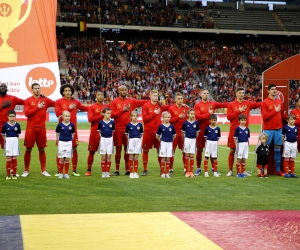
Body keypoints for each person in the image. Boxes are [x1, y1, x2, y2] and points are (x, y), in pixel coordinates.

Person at [110, 85, 148, 176]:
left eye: (125, 90)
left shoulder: (132, 101)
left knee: (128, 150)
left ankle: (128, 169)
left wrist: (156, 101)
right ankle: (117, 170)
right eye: (122, 90)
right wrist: (122, 110)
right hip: (118, 129)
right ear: (118, 91)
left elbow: (144, 102)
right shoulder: (114, 102)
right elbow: (111, 115)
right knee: (118, 150)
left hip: (129, 130)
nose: (124, 91)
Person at [55, 83, 89, 177]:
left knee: (74, 148)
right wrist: (68, 108)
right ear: (62, 92)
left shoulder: (76, 102)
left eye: (69, 90)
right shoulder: (58, 101)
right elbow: (58, 114)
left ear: (72, 92)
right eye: (65, 90)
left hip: (72, 129)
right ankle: (59, 170)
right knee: (60, 151)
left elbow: (85, 108)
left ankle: (74, 169)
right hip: (62, 129)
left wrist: (97, 107)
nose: (67, 92)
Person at [22, 83, 55, 177]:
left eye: (38, 88)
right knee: (28, 149)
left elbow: (56, 103)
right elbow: (27, 113)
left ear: (40, 89)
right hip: (31, 127)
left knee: (42, 149)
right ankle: (26, 170)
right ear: (32, 90)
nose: (37, 90)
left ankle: (43, 170)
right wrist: (38, 107)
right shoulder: (28, 100)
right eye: (35, 88)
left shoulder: (45, 100)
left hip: (41, 127)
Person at [226, 87, 261, 177]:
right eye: (240, 93)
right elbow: (229, 117)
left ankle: (243, 170)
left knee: (244, 151)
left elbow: (258, 104)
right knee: (232, 150)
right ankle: (230, 170)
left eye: (243, 93)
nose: (242, 94)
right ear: (236, 94)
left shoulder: (248, 103)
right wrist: (239, 111)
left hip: (244, 132)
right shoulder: (231, 104)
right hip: (234, 130)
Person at [194, 89, 227, 175]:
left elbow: (224, 104)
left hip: (211, 131)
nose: (206, 95)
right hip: (201, 131)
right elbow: (198, 117)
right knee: (200, 150)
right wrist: (208, 114)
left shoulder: (213, 103)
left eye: (207, 93)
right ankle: (198, 168)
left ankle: (213, 168)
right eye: (204, 93)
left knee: (213, 150)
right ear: (200, 94)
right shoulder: (197, 105)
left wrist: (234, 103)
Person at [261, 84, 287, 176]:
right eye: (272, 89)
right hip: (268, 130)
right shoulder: (264, 102)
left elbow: (282, 114)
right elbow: (264, 117)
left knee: (277, 150)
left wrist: (289, 119)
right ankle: (263, 171)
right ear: (268, 91)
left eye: (275, 89)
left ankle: (278, 170)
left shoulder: (279, 102)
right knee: (264, 150)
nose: (274, 91)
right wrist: (275, 111)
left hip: (278, 129)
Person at [141, 89, 169, 176]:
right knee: (145, 150)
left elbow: (169, 107)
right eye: (154, 96)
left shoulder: (160, 105)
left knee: (159, 151)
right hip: (148, 131)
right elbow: (144, 119)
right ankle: (145, 170)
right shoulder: (146, 106)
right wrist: (154, 113)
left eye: (157, 96)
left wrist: (180, 104)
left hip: (158, 132)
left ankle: (161, 169)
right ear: (150, 96)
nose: (156, 97)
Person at [85, 91, 109, 176]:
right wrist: (101, 115)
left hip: (105, 132)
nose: (100, 96)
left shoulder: (107, 107)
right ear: (96, 96)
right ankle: (88, 170)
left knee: (106, 153)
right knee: (92, 152)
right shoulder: (92, 107)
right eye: (98, 95)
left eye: (102, 94)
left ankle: (106, 170)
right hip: (95, 133)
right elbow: (90, 119)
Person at [168, 92, 189, 174]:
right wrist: (178, 117)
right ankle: (170, 169)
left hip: (184, 133)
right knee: (172, 151)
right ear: (175, 100)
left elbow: (191, 117)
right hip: (174, 133)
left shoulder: (186, 108)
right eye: (179, 99)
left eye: (181, 99)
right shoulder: (171, 108)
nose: (180, 100)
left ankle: (185, 168)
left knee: (185, 151)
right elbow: (169, 120)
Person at [0, 83, 24, 150]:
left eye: (4, 87)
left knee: (8, 150)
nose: (3, 88)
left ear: (7, 89)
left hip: (7, 128)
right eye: (1, 86)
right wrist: (2, 106)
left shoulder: (12, 98)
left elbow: (26, 102)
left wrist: (39, 97)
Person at [1, 110, 21, 180]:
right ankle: (8, 175)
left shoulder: (17, 125)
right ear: (8, 117)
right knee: (9, 158)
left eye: (13, 116)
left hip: (15, 141)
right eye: (10, 116)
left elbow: (18, 134)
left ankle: (14, 174)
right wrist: (6, 141)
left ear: (15, 117)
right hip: (8, 141)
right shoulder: (5, 125)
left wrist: (14, 140)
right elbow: (3, 135)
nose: (12, 118)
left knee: (14, 158)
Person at [55, 111, 75, 179]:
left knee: (67, 158)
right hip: (61, 143)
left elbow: (73, 133)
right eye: (66, 116)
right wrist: (58, 140)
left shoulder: (72, 125)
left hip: (69, 143)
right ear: (62, 117)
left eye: (69, 116)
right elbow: (57, 133)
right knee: (61, 158)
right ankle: (60, 173)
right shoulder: (60, 125)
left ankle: (66, 173)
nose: (67, 117)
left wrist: (70, 139)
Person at [156, 111, 176, 178]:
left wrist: (171, 140)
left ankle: (167, 173)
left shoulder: (172, 126)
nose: (167, 118)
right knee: (163, 158)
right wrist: (161, 141)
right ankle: (162, 173)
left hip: (169, 143)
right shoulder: (161, 126)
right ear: (163, 118)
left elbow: (174, 135)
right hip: (163, 144)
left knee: (168, 158)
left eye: (168, 117)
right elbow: (157, 135)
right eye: (166, 117)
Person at [181, 109, 200, 178]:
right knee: (186, 155)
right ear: (188, 115)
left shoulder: (196, 123)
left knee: (191, 155)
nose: (193, 115)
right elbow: (182, 132)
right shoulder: (185, 123)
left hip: (193, 140)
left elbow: (197, 132)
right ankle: (187, 172)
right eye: (191, 114)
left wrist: (194, 138)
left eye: (194, 114)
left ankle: (191, 171)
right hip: (187, 139)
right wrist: (184, 140)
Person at [125, 111, 143, 179]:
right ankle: (131, 172)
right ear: (131, 117)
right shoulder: (128, 125)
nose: (135, 117)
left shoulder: (140, 125)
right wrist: (130, 139)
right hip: (131, 141)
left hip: (138, 140)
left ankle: (135, 172)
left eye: (136, 116)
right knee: (131, 157)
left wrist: (137, 138)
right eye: (133, 116)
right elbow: (126, 134)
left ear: (137, 117)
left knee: (136, 157)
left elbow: (141, 133)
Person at [97, 107, 115, 178]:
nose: (109, 115)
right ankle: (103, 172)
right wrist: (102, 137)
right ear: (103, 114)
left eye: (110, 113)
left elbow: (113, 131)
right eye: (108, 113)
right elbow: (99, 132)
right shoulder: (100, 123)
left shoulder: (112, 122)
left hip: (110, 140)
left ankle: (107, 172)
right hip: (103, 140)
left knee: (109, 156)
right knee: (103, 156)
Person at [281, 114, 298, 178]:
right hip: (288, 143)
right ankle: (286, 172)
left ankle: (292, 172)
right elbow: (283, 136)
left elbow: (296, 135)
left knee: (292, 158)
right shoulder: (285, 127)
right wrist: (284, 143)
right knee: (286, 158)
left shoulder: (296, 128)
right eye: (291, 119)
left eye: (294, 119)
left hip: (294, 143)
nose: (293, 120)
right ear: (287, 120)